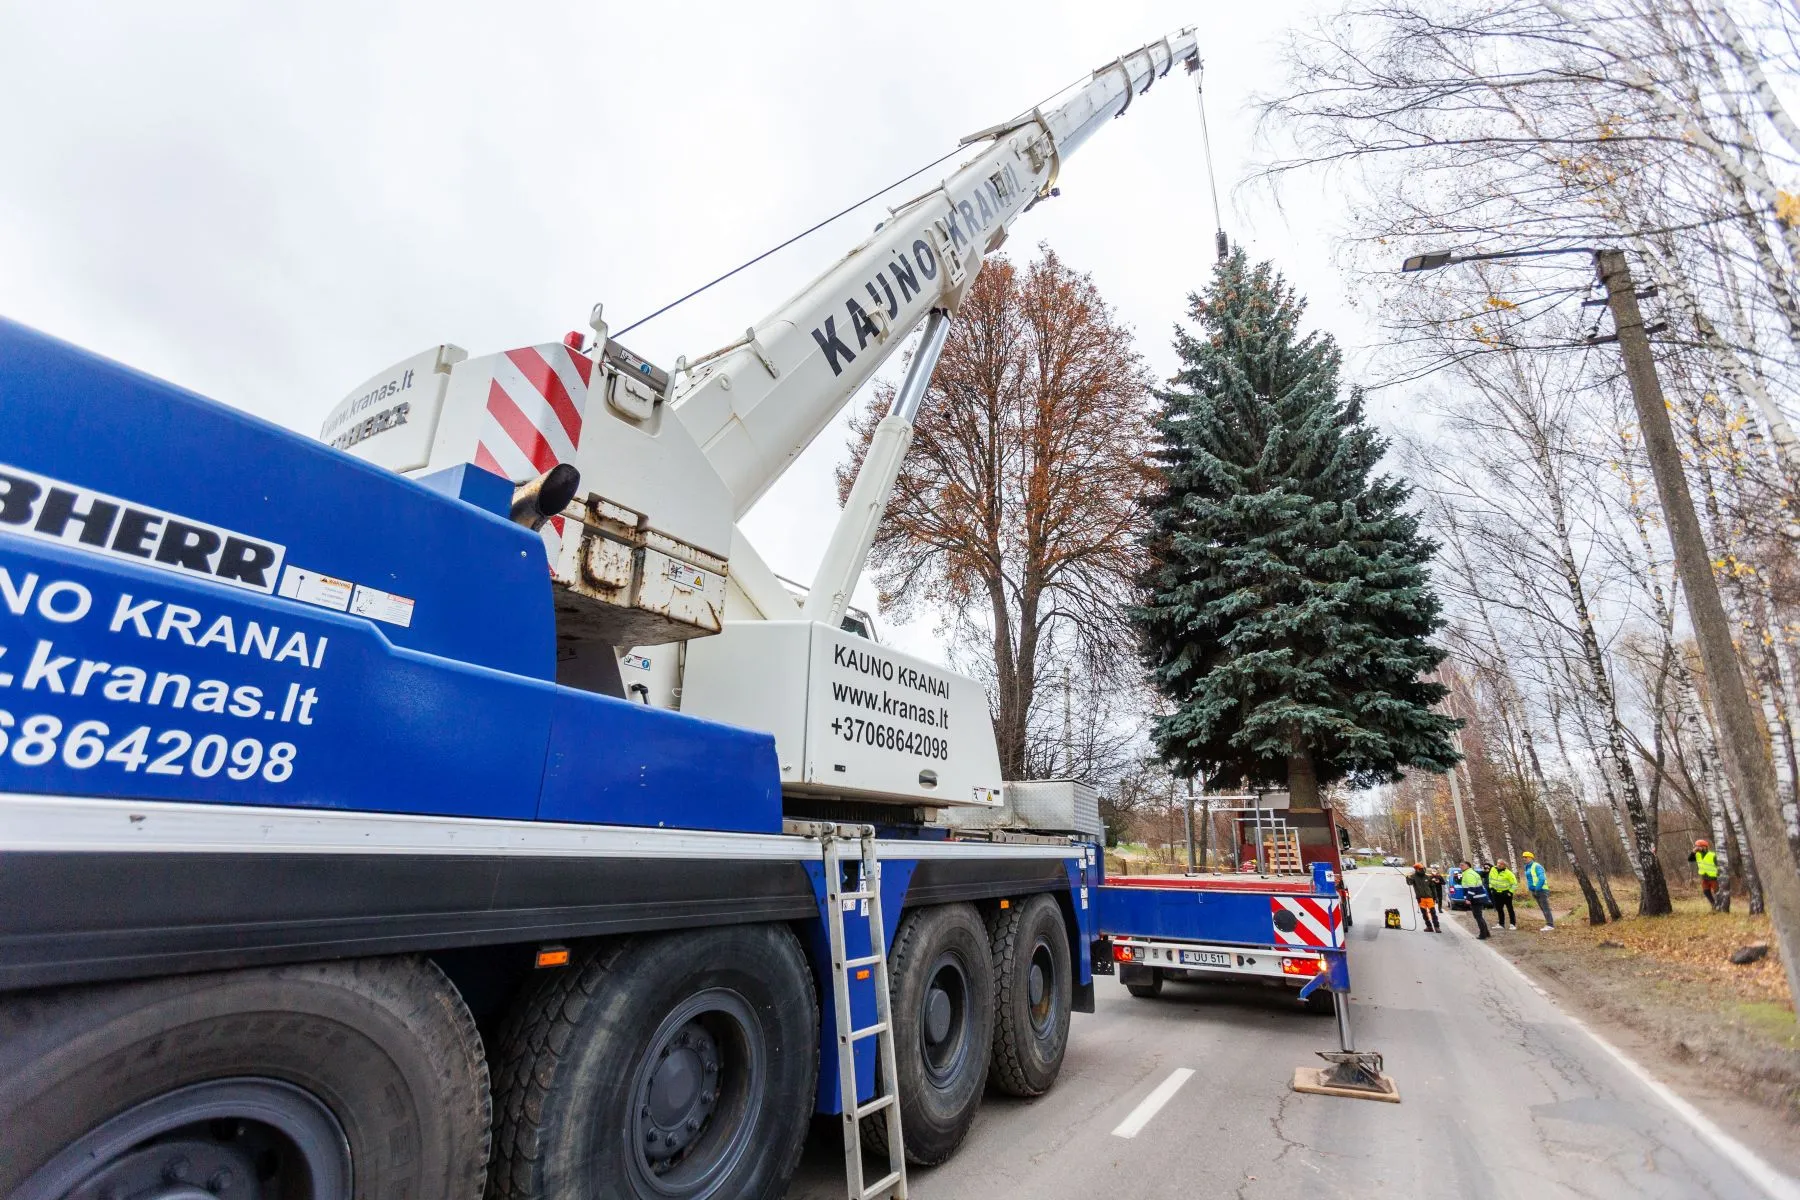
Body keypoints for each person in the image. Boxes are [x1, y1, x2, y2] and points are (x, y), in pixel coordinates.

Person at [1457, 860, 1491, 939]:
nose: (1460, 867)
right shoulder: (1470, 873)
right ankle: (1486, 933)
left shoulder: (1469, 874)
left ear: (1467, 866)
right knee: (1479, 916)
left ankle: (1483, 935)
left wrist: (1468, 898)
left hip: (1476, 898)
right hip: (1478, 897)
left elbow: (1472, 888)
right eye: (1460, 865)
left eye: (1462, 865)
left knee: (1478, 917)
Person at [1522, 851, 1554, 931]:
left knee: (1545, 908)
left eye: (1526, 857)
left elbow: (1542, 878)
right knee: (1543, 908)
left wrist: (1537, 889)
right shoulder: (1527, 867)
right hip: (1535, 891)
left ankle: (1550, 925)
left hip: (1541, 890)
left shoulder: (1537, 866)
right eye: (1523, 857)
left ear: (1531, 858)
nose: (1524, 859)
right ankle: (1548, 924)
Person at [1689, 839, 1721, 911]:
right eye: (1696, 846)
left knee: (1717, 892)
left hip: (1713, 877)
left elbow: (1719, 865)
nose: (1697, 847)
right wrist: (1693, 852)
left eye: (1699, 846)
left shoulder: (1712, 855)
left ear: (1704, 847)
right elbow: (1690, 859)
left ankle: (1719, 906)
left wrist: (1719, 874)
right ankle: (1713, 904)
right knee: (1706, 891)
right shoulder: (1697, 855)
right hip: (1704, 877)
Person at [1407, 863, 1440, 932]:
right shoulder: (1413, 877)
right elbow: (1409, 883)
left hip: (1429, 898)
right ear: (1416, 869)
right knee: (1424, 914)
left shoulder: (1428, 877)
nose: (1422, 870)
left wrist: (1436, 897)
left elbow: (1433, 887)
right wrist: (1407, 878)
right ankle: (1429, 927)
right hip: (1420, 898)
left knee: (1433, 913)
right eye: (1421, 869)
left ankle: (1437, 927)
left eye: (1423, 869)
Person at [1489, 860, 1519, 930]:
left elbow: (1514, 884)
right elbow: (1490, 879)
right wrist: (1491, 888)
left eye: (1501, 864)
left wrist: (1510, 892)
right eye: (1498, 863)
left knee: (1510, 909)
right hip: (1496, 892)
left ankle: (1512, 924)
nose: (1499, 865)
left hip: (1506, 893)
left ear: (1505, 866)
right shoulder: (1493, 869)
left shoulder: (1509, 873)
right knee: (1499, 909)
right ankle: (1501, 924)